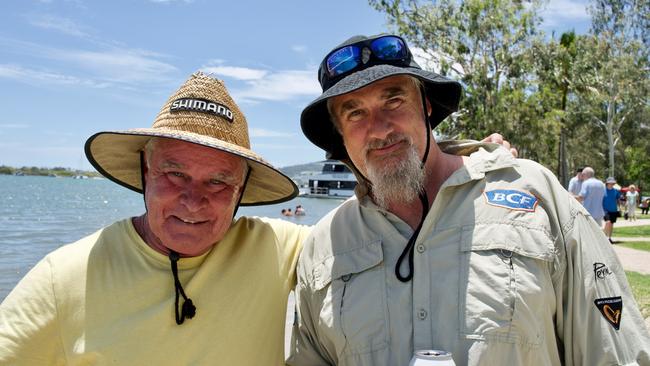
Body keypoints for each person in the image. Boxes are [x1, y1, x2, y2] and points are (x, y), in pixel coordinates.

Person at [287, 34, 650, 366]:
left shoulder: (537, 195)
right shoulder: (324, 246)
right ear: (339, 134)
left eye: (394, 99)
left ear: (426, 105)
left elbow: (614, 353)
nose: (380, 128)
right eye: (355, 112)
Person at [0, 72, 312, 365]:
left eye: (217, 182)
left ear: (240, 190)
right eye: (175, 174)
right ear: (146, 173)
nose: (193, 201)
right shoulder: (63, 277)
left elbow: (359, 232)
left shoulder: (277, 248)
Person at [603, 177, 621, 242]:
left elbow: (618, 200)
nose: (611, 184)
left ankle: (609, 238)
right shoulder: (603, 190)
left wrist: (619, 207)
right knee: (608, 222)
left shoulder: (616, 191)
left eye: (612, 183)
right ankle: (603, 237)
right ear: (607, 183)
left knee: (611, 224)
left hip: (614, 210)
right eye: (610, 183)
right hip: (605, 210)